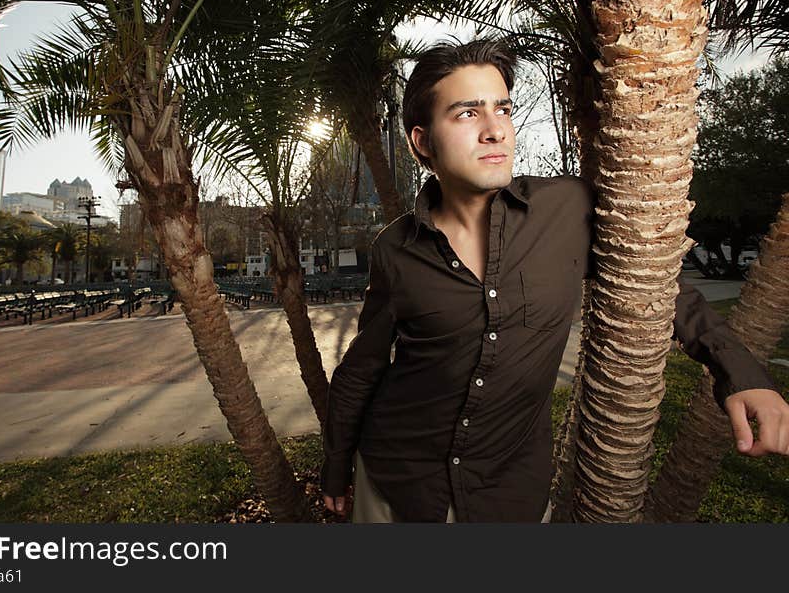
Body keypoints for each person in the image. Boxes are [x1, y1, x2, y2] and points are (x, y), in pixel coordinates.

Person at [320, 40, 789, 523]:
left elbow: (656, 285)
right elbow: (363, 369)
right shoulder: (394, 249)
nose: (494, 130)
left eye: (502, 109)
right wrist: (336, 468)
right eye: (466, 114)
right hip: (397, 484)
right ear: (422, 142)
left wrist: (742, 375)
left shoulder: (566, 209)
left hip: (511, 489)